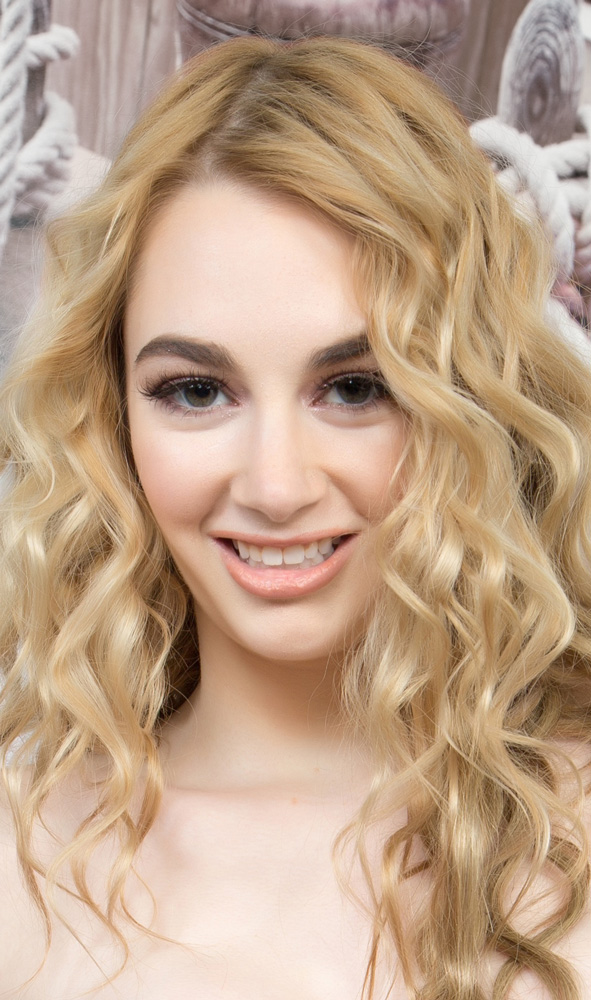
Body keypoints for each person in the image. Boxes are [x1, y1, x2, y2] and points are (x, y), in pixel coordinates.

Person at [0, 34, 590, 1000]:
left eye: (356, 387)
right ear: (110, 415)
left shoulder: (572, 830)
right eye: (196, 392)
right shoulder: (23, 854)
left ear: (471, 402)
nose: (275, 487)